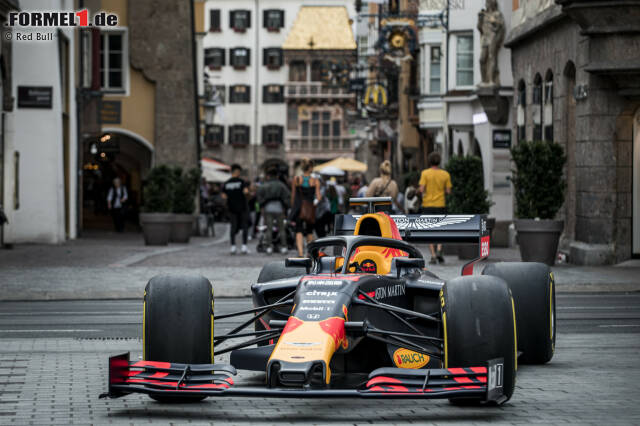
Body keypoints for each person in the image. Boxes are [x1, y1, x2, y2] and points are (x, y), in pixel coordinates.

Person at [419, 152, 452, 264]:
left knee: (429, 229)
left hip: (428, 205)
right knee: (441, 229)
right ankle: (439, 250)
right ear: (439, 161)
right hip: (441, 204)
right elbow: (448, 191)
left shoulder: (425, 173)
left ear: (429, 161)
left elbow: (421, 189)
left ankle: (433, 256)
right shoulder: (445, 174)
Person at [291, 158, 321, 256]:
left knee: (298, 230)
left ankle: (300, 253)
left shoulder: (297, 179)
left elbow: (293, 196)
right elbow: (319, 197)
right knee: (309, 231)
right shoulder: (315, 180)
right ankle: (309, 252)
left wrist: (293, 209)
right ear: (311, 168)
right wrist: (314, 204)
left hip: (299, 208)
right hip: (310, 208)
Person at [257, 167, 290, 254]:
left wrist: (262, 206)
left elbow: (259, 196)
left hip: (268, 208)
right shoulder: (281, 185)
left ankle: (269, 247)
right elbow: (287, 196)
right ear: (277, 175)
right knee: (281, 228)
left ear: (268, 175)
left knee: (269, 229)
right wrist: (285, 207)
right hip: (279, 208)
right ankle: (284, 247)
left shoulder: (264, 185)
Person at [222, 164, 250, 255]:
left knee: (233, 227)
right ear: (237, 172)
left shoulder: (226, 183)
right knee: (244, 226)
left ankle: (233, 247)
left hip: (232, 208)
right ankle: (244, 246)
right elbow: (246, 192)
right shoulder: (242, 182)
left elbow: (223, 196)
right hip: (242, 207)